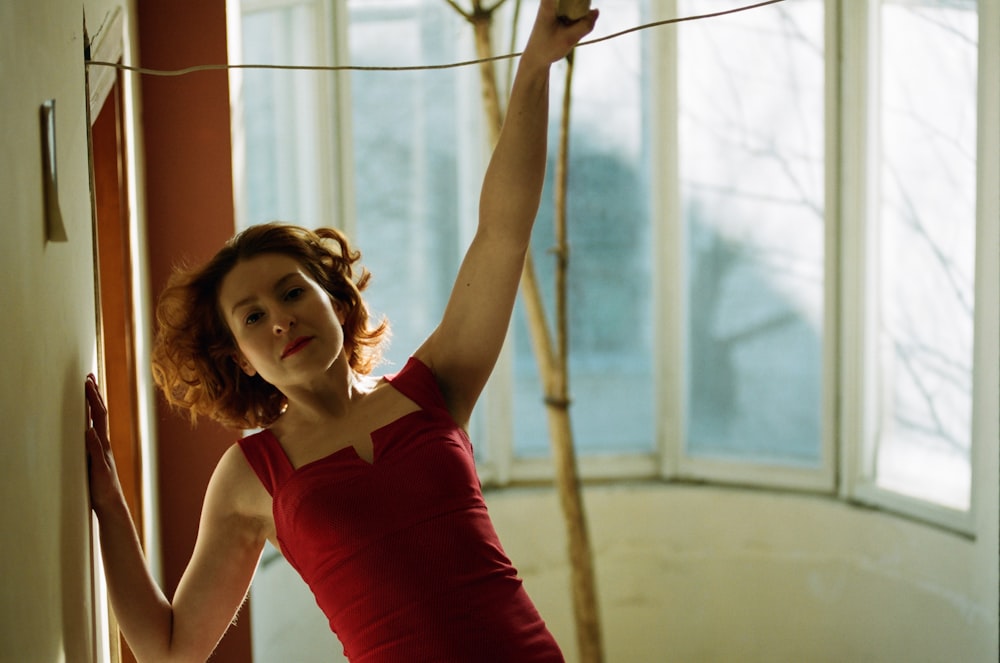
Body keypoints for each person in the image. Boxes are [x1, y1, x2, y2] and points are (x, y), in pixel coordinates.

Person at [84, 2, 599, 662]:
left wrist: (532, 68)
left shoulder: (432, 388)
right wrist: (105, 500)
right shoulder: (250, 477)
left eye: (293, 291)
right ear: (238, 357)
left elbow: (502, 234)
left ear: (335, 298)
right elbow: (168, 648)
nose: (280, 318)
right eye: (251, 316)